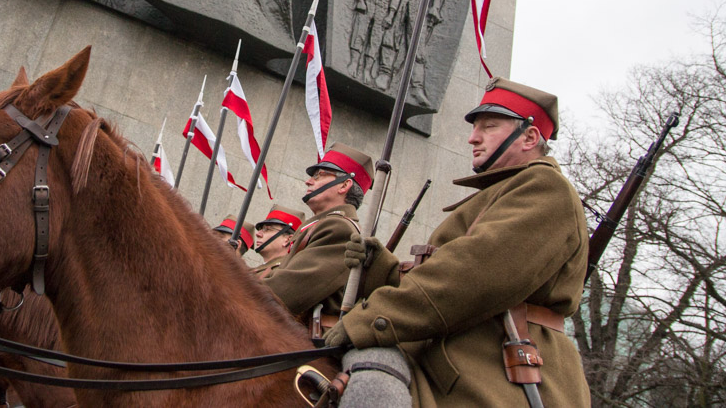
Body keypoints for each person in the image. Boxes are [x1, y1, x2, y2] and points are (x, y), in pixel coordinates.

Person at [326, 77, 592, 407]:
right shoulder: (499, 193)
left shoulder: (545, 188)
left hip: (495, 372)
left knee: (371, 374)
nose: (472, 138)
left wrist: (375, 319)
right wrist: (380, 268)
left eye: (488, 127)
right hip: (454, 358)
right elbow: (441, 280)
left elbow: (473, 277)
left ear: (530, 136)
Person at [262, 143, 374, 331]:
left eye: (319, 175)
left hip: (307, 344)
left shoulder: (340, 228)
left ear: (344, 185)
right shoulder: (320, 225)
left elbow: (286, 291)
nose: (308, 181)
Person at [251, 206, 305, 279]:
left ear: (288, 239)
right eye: (261, 229)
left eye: (267, 229)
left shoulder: (283, 272)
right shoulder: (261, 270)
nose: (258, 234)